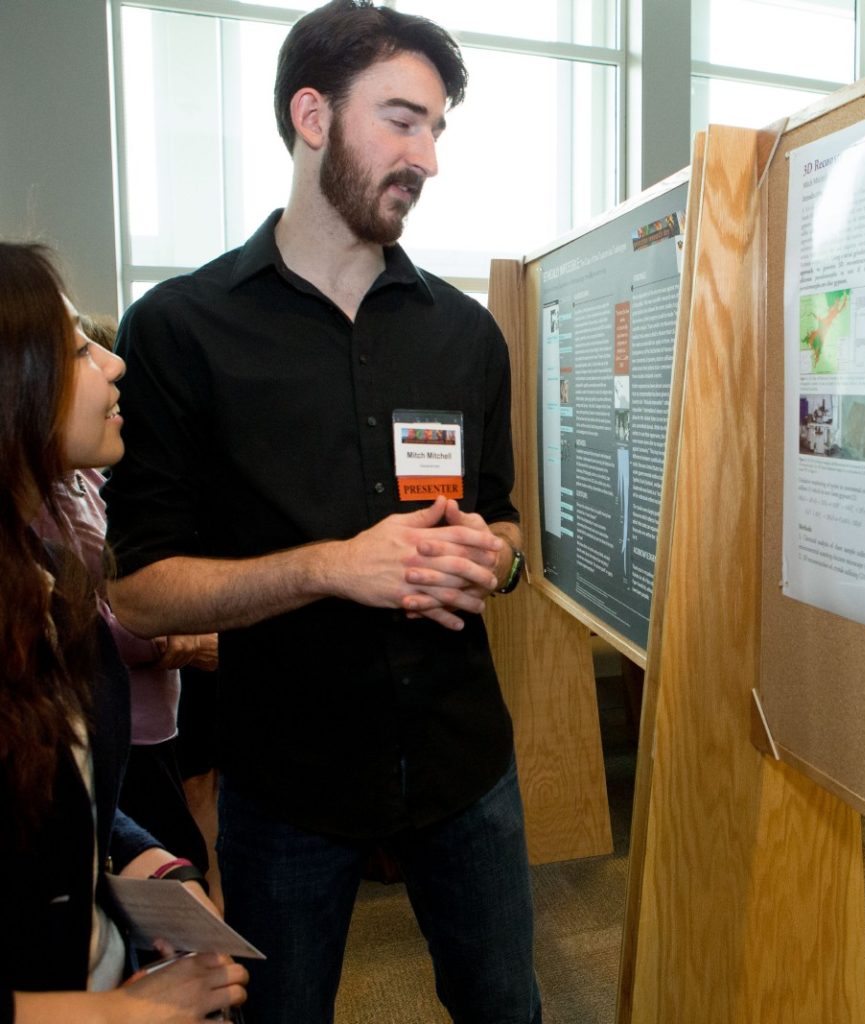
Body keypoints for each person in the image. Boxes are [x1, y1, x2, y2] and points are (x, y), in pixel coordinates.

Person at [103, 3, 539, 1023]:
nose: (425, 155)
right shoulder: (180, 330)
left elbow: (513, 527)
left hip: (465, 766)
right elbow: (139, 589)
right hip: (286, 785)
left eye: (436, 128)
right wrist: (330, 567)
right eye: (400, 119)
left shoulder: (465, 335)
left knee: (505, 1006)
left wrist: (495, 556)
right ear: (311, 114)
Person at [0, 241, 248, 1023]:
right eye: (76, 349)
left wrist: (151, 866)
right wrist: (125, 1015)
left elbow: (66, 800)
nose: (113, 366)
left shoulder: (40, 581)